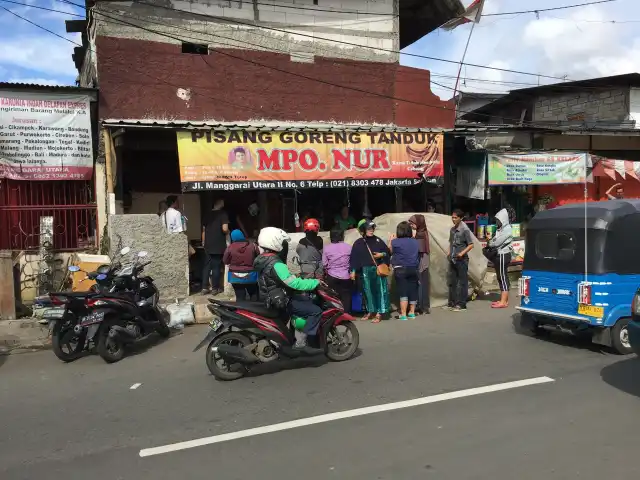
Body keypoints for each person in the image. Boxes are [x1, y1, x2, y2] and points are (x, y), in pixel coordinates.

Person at [254, 227, 323, 355]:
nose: (284, 246)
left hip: (269, 298)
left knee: (302, 301)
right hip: (281, 300)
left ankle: (292, 338)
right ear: (275, 242)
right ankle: (301, 344)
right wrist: (315, 282)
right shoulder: (276, 263)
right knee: (315, 311)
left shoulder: (262, 259)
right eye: (283, 242)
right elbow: (293, 283)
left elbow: (277, 279)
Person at [350, 220, 391, 323]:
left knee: (380, 291)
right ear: (363, 230)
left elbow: (387, 252)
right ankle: (370, 311)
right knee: (368, 292)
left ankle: (379, 313)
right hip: (365, 271)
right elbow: (354, 258)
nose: (371, 230)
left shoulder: (378, 240)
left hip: (377, 270)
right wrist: (353, 271)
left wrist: (382, 255)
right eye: (368, 229)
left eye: (372, 228)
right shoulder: (358, 243)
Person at [390, 221, 419, 321]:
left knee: (403, 291)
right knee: (412, 290)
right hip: (413, 268)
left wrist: (391, 240)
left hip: (400, 268)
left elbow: (390, 251)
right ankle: (411, 312)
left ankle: (403, 314)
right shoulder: (415, 242)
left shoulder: (395, 242)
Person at [448, 208, 474, 312]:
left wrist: (462, 253)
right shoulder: (452, 230)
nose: (453, 219)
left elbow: (471, 245)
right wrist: (449, 252)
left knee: (462, 282)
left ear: (461, 218)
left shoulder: (465, 229)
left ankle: (462, 304)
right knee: (453, 281)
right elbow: (451, 242)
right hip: (453, 258)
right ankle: (453, 302)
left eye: (455, 218)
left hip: (462, 259)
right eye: (452, 217)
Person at [487, 208, 513, 309]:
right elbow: (494, 241)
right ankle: (504, 300)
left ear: (503, 219)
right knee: (501, 277)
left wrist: (491, 241)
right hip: (501, 254)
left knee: (502, 277)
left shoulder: (507, 229)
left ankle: (503, 302)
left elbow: (496, 243)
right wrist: (491, 241)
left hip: (503, 254)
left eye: (498, 220)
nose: (497, 222)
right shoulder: (500, 229)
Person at [223, 229, 260, 301]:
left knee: (240, 297)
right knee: (254, 294)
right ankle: (255, 310)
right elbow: (258, 258)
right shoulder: (253, 246)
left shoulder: (230, 248)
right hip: (251, 275)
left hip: (235, 276)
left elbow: (225, 261)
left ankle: (240, 311)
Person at [202, 199, 229, 295]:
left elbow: (204, 230)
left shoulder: (207, 214)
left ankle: (204, 287)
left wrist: (204, 242)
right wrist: (228, 232)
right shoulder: (222, 214)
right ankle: (215, 288)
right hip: (218, 244)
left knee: (207, 266)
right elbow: (225, 228)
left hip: (208, 244)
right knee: (216, 266)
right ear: (221, 204)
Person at [322, 229, 353, 313]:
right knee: (346, 295)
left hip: (332, 276)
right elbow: (352, 261)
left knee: (333, 296)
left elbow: (324, 263)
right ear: (342, 236)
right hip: (346, 275)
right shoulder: (349, 247)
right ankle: (346, 314)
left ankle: (336, 314)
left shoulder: (327, 248)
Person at [409, 214, 430, 314]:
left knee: (421, 284)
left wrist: (412, 241)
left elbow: (419, 250)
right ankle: (424, 306)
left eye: (412, 223)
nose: (411, 225)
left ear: (418, 223)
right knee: (424, 284)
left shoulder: (421, 235)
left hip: (422, 262)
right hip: (424, 261)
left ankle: (421, 307)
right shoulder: (422, 232)